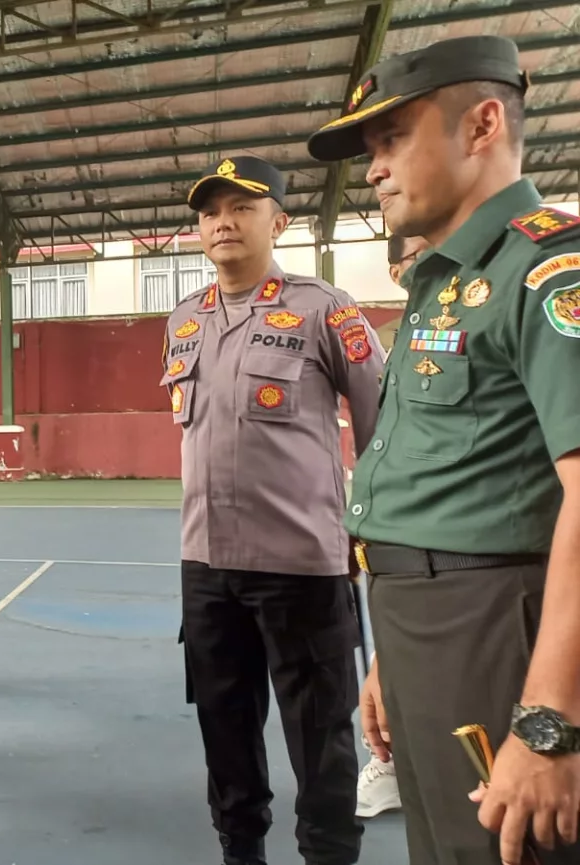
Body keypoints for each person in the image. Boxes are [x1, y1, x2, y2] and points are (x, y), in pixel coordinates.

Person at [309, 34, 580, 865]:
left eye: (393, 139)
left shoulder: (550, 271)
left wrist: (548, 720)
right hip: (422, 625)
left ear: (482, 124)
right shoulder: (445, 284)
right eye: (370, 150)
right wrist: (392, 653)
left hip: (500, 631)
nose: (375, 167)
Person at [164, 156, 384, 865]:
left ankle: (328, 853)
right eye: (209, 212)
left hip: (304, 566)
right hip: (206, 568)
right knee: (225, 734)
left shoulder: (326, 307)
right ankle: (242, 852)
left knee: (321, 738)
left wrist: (373, 530)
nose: (222, 222)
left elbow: (385, 424)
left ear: (279, 221)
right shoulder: (183, 319)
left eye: (241, 207)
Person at [353, 232, 429, 822]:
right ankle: (398, 762)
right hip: (400, 549)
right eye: (403, 259)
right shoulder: (396, 339)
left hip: (479, 560)